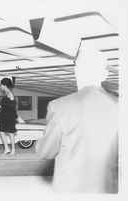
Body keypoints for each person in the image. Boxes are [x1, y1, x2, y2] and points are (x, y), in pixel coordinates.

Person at [35, 44, 118, 193]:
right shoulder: (120, 107)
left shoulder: (60, 106)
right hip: (107, 189)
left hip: (70, 189)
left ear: (76, 71)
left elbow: (46, 151)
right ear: (105, 74)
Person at [0, 78, 18, 156]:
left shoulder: (10, 94)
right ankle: (7, 148)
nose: (0, 86)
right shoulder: (7, 94)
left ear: (4, 85)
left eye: (1, 84)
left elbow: (13, 104)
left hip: (9, 116)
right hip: (4, 115)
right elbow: (7, 106)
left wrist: (0, 104)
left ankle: (13, 149)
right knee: (1, 131)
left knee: (10, 132)